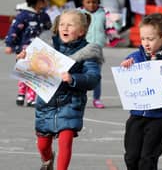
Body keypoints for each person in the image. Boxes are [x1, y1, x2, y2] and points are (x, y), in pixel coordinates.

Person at [17, 9, 102, 170]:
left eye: (70, 25)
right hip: (46, 103)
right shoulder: (47, 46)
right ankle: (47, 160)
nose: (65, 28)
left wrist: (73, 79)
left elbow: (93, 78)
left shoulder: (88, 52)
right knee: (43, 145)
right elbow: (30, 67)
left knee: (66, 139)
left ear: (81, 31)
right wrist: (22, 59)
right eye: (62, 24)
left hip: (71, 102)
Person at [120, 13, 162, 170]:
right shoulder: (135, 57)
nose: (146, 43)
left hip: (158, 118)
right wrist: (125, 68)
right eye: (143, 38)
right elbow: (127, 81)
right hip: (136, 115)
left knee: (148, 160)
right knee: (131, 157)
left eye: (150, 39)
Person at [5, 0, 52, 107]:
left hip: (38, 50)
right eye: (46, 0)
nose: (48, 2)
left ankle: (31, 98)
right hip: (24, 50)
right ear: (39, 1)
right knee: (24, 72)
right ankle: (21, 93)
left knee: (35, 73)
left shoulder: (44, 16)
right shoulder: (23, 15)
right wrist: (10, 44)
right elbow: (14, 29)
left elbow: (49, 28)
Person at [78, 0, 108, 108]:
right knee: (81, 74)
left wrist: (116, 21)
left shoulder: (104, 13)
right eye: (88, 2)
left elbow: (113, 25)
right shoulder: (78, 13)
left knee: (96, 75)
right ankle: (80, 97)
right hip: (82, 48)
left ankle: (97, 99)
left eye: (94, 2)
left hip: (97, 49)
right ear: (82, 2)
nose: (91, 4)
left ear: (98, 2)